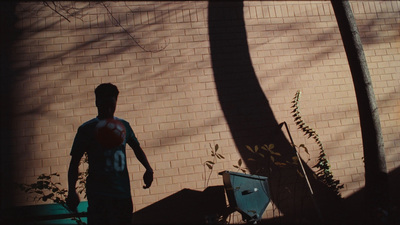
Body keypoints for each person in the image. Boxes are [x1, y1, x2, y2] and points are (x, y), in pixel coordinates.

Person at [66, 83, 153, 225]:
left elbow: (137, 148)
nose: (108, 108)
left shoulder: (124, 126)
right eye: (103, 104)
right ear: (96, 102)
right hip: (99, 195)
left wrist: (148, 169)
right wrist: (71, 190)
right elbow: (74, 162)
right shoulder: (86, 129)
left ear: (116, 102)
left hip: (123, 194)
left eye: (111, 104)